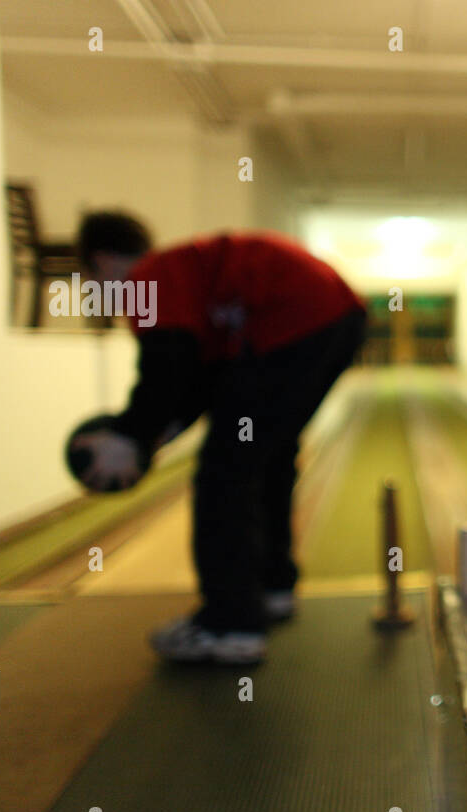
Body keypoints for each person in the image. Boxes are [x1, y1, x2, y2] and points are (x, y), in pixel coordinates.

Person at [72, 214, 368, 661]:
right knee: (267, 454)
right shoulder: (186, 274)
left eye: (91, 280)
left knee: (224, 473)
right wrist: (156, 433)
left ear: (101, 261)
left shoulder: (147, 279)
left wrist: (131, 433)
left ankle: (231, 624)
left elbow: (166, 368)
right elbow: (202, 378)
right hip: (334, 315)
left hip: (295, 317)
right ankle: (272, 587)